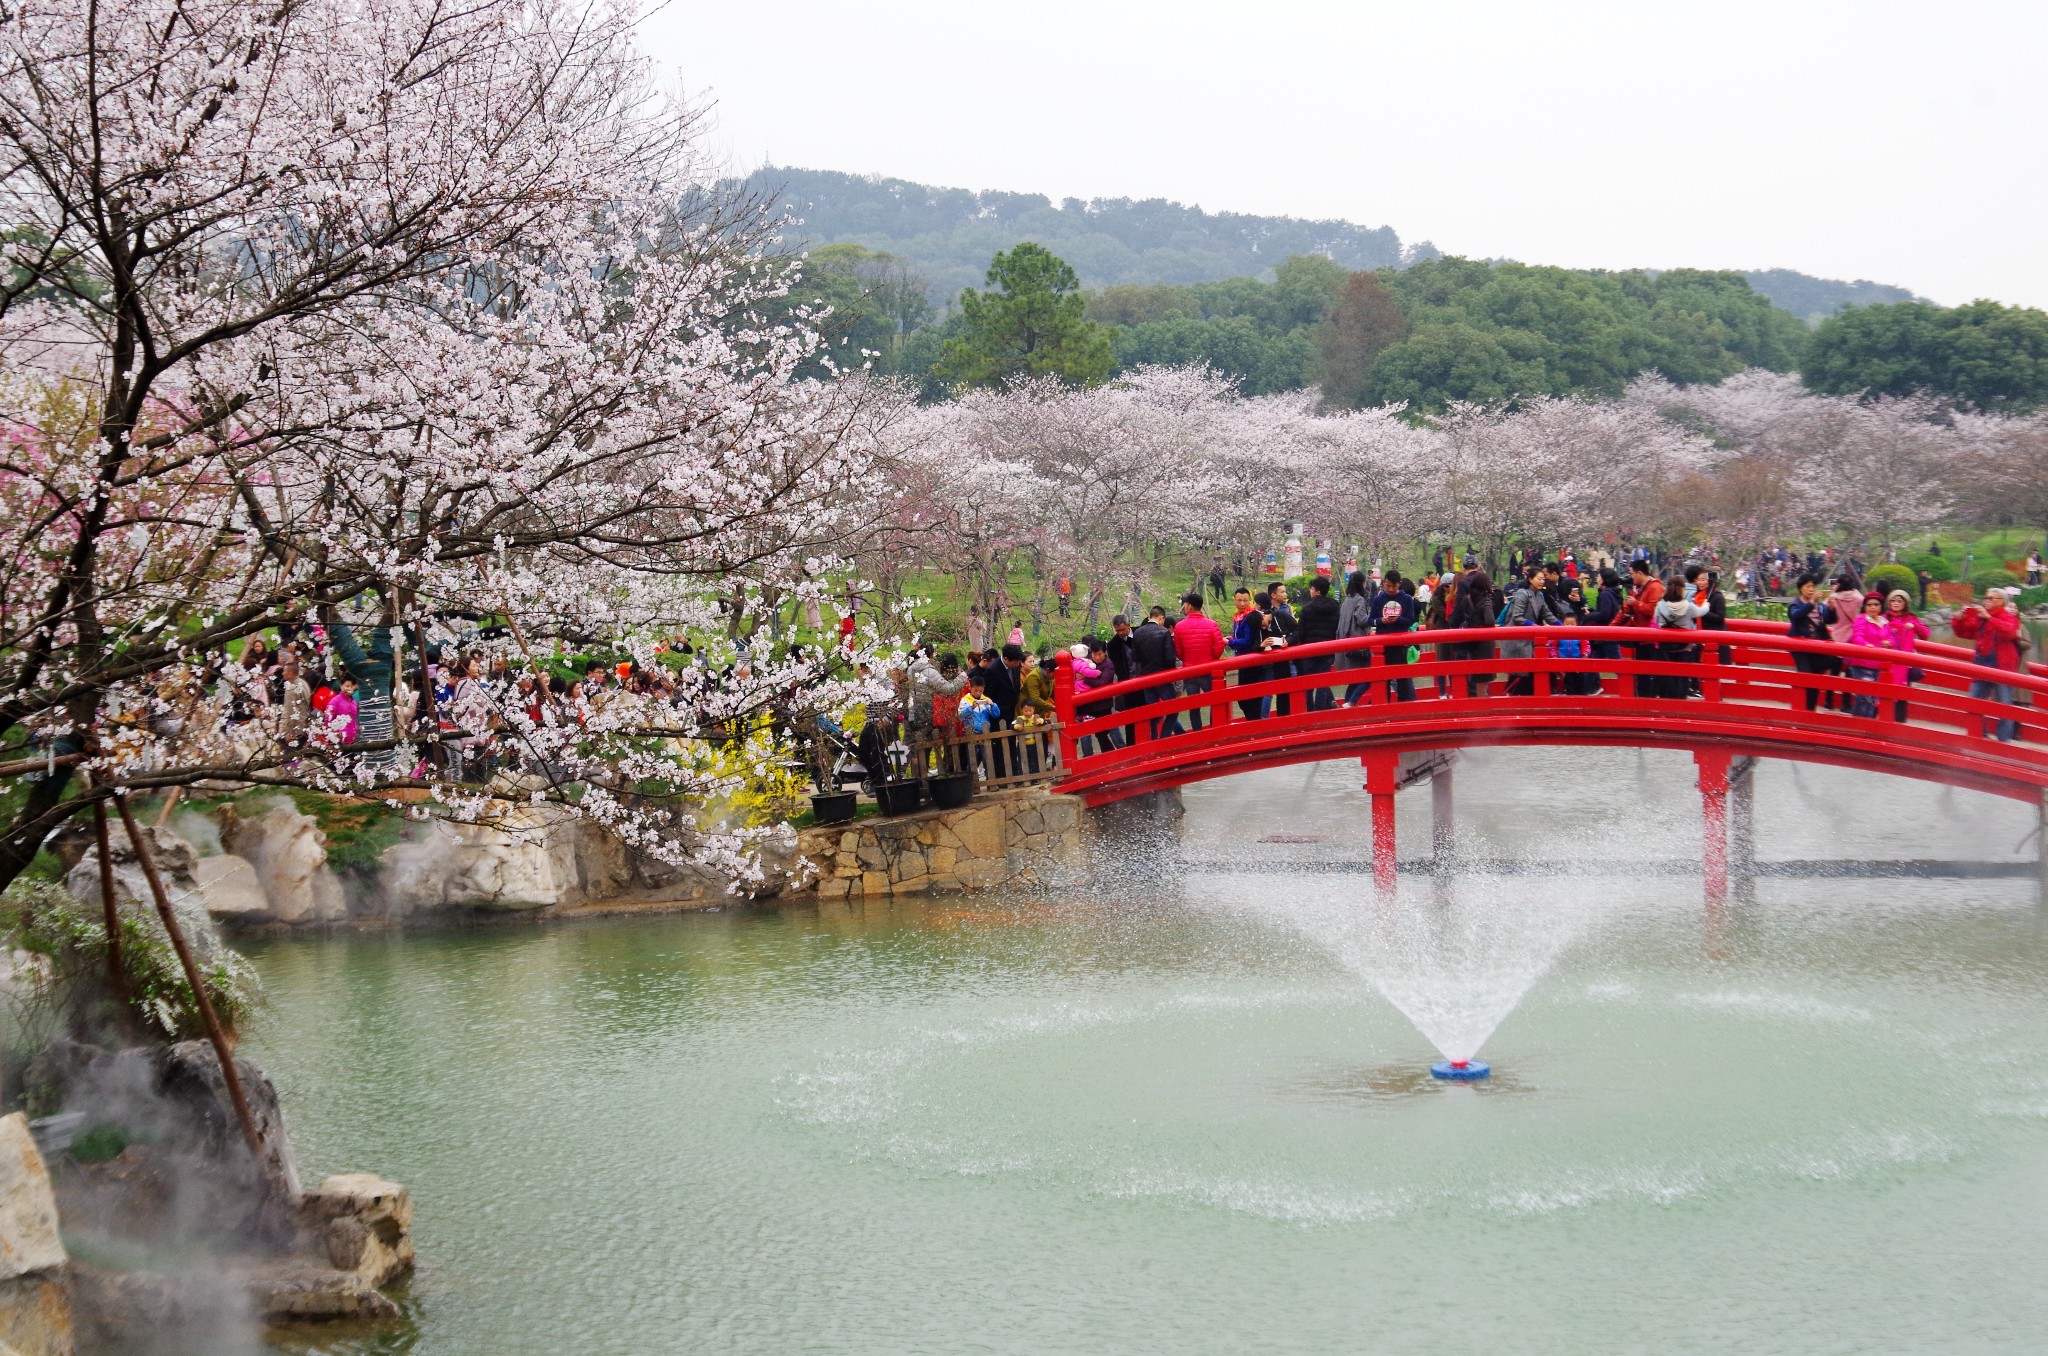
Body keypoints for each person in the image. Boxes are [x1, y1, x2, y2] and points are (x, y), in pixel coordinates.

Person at [1952, 587, 2026, 742]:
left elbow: (2010, 631)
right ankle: (1979, 735)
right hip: (1982, 664)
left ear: (2001, 602)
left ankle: (2003, 740)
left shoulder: (2008, 617)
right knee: (1974, 701)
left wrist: (1990, 618)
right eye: (1986, 597)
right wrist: (1959, 619)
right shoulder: (1981, 619)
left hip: (2002, 666)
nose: (1987, 600)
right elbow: (1964, 633)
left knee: (2004, 704)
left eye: (1991, 598)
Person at [1500, 564, 1563, 696]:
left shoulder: (1539, 595)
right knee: (1521, 670)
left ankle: (1525, 695)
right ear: (1530, 579)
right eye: (1538, 579)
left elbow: (1547, 614)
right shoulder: (1522, 594)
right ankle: (1511, 694)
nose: (1541, 581)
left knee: (1531, 669)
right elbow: (1517, 617)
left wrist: (1561, 626)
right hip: (1517, 638)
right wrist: (1537, 628)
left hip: (1529, 638)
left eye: (1543, 579)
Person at [1785, 574, 1841, 713]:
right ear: (1800, 589)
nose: (1811, 589)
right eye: (1808, 586)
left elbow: (1831, 620)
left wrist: (1832, 608)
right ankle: (1801, 710)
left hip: (1817, 647)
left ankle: (1810, 710)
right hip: (1800, 648)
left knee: (1816, 677)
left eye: (1813, 586)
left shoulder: (1820, 606)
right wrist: (1811, 603)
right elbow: (1795, 617)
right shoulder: (1795, 604)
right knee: (1806, 677)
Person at [1173, 593, 1227, 731]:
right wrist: (1213, 658)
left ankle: (1198, 732)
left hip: (1190, 671)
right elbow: (1219, 646)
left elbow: (1178, 651)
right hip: (1208, 669)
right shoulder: (1211, 624)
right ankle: (1214, 729)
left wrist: (1187, 659)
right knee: (1214, 701)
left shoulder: (1179, 626)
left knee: (1194, 704)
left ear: (1189, 606)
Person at [1878, 589, 1931, 722]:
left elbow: (1926, 634)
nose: (1896, 603)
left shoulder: (1911, 618)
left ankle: (1898, 724)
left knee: (1901, 691)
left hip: (1903, 663)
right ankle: (1883, 723)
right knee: (1884, 690)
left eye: (1899, 601)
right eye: (1893, 600)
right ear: (1888, 603)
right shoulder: (1883, 619)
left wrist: (1914, 626)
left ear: (1905, 603)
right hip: (1887, 661)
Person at [1651, 575, 1707, 699]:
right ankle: (1680, 701)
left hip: (1665, 647)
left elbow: (1656, 620)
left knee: (1666, 676)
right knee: (1682, 677)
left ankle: (1666, 700)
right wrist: (1706, 604)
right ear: (1682, 589)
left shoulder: (1660, 606)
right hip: (1684, 647)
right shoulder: (1688, 607)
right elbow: (1701, 611)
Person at [1293, 576, 1342, 710]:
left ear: (1318, 591)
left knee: (1308, 683)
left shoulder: (1307, 608)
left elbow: (1301, 631)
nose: (1310, 591)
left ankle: (1310, 710)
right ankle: (1320, 710)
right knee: (1323, 681)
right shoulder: (1335, 606)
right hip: (1328, 649)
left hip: (1309, 650)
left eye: (1312, 588)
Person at [1369, 569, 1418, 702]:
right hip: (1383, 644)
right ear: (1384, 582)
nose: (1390, 589)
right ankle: (1384, 704)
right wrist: (1380, 621)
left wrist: (1398, 619)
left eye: (1394, 586)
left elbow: (1410, 619)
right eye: (1388, 585)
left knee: (1402, 677)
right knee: (1384, 678)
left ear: (1399, 584)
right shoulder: (1378, 599)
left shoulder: (1406, 599)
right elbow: (1370, 619)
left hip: (1400, 643)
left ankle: (1404, 704)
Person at [1620, 560, 1665, 698]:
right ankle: (1643, 697)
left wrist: (1637, 604)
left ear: (1640, 573)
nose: (1631, 577)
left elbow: (1654, 609)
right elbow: (1626, 609)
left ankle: (1649, 698)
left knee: (1650, 671)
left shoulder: (1655, 587)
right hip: (1641, 637)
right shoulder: (1638, 588)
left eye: (1632, 573)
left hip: (1651, 638)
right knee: (1641, 672)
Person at [1846, 592, 1890, 719]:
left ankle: (1866, 725)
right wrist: (1866, 645)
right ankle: (1860, 725)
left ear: (1881, 606)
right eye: (1869, 604)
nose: (1873, 607)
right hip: (1862, 664)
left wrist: (1889, 643)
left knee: (1873, 698)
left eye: (1876, 604)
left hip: (1878, 665)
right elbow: (1857, 636)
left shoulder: (1885, 622)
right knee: (1864, 696)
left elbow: (1892, 639)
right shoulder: (1861, 620)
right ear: (1864, 606)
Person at [1336, 571, 1376, 706]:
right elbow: (1361, 619)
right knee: (1370, 676)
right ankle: (1352, 702)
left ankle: (1347, 703)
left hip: (1347, 643)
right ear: (1362, 583)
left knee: (1355, 679)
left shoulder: (1347, 599)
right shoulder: (1359, 599)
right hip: (1359, 644)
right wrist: (1373, 619)